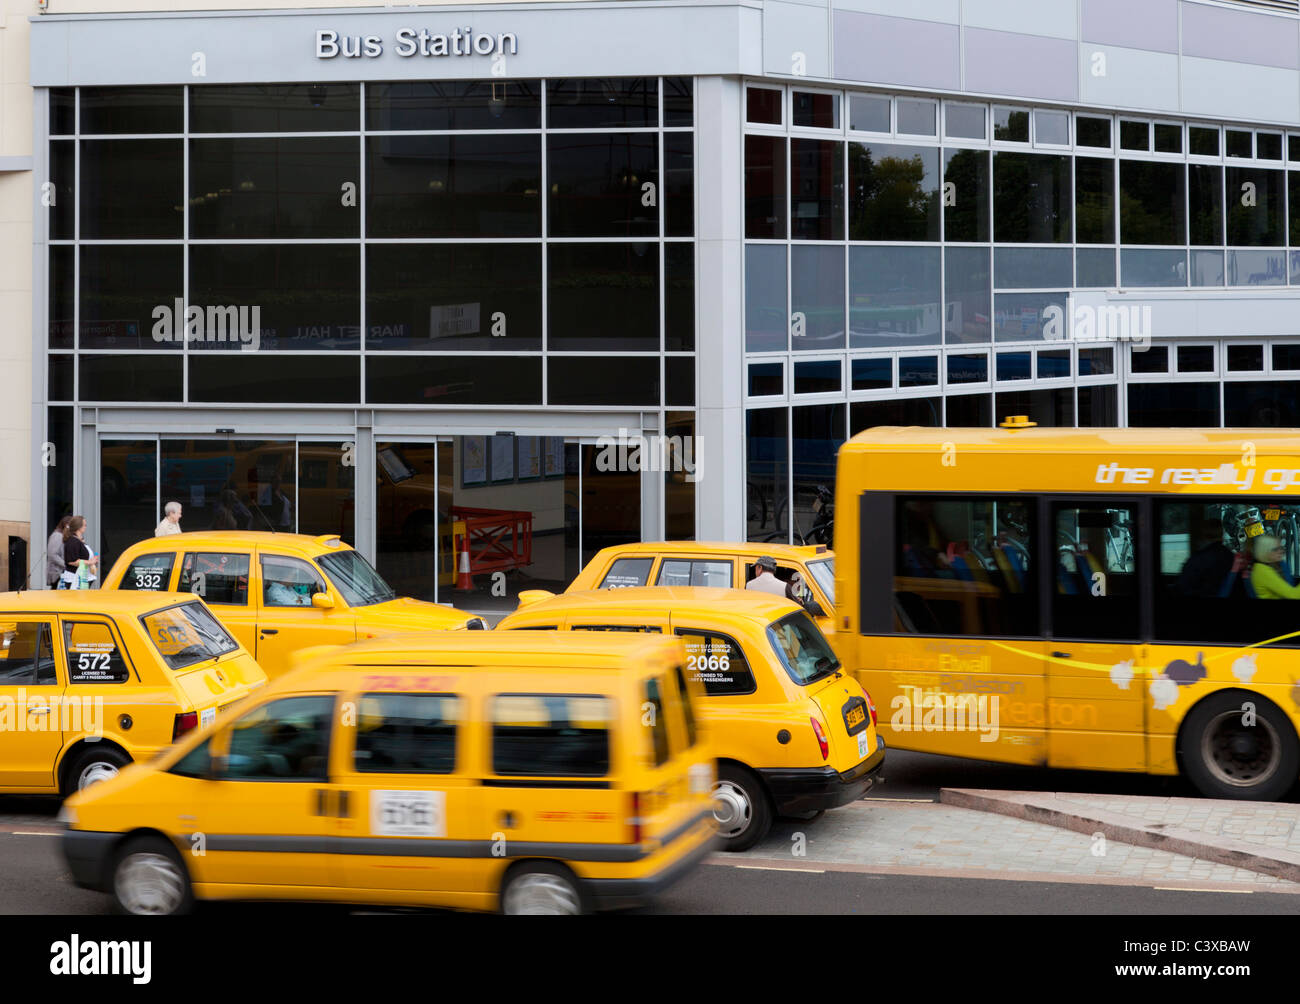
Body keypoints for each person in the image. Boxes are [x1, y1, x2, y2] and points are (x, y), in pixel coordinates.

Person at [1173, 518, 1236, 597]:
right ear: (1222, 534)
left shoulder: (1198, 559)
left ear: (1203, 534)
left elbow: (1182, 586)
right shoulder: (1230, 556)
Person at [1250, 535, 1300, 599]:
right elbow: (1294, 595)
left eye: (1281, 548)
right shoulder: (1262, 571)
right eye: (1276, 549)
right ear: (1265, 551)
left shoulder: (1277, 564)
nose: (1281, 551)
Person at [60, 515, 97, 589]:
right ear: (79, 527)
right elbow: (72, 561)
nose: (86, 527)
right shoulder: (73, 541)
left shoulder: (78, 540)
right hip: (75, 579)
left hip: (82, 577)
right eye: (85, 525)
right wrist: (90, 562)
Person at [46, 515, 71, 588]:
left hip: (61, 571)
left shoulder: (63, 535)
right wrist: (66, 565)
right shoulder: (57, 536)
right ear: (67, 525)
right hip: (57, 573)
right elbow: (52, 555)